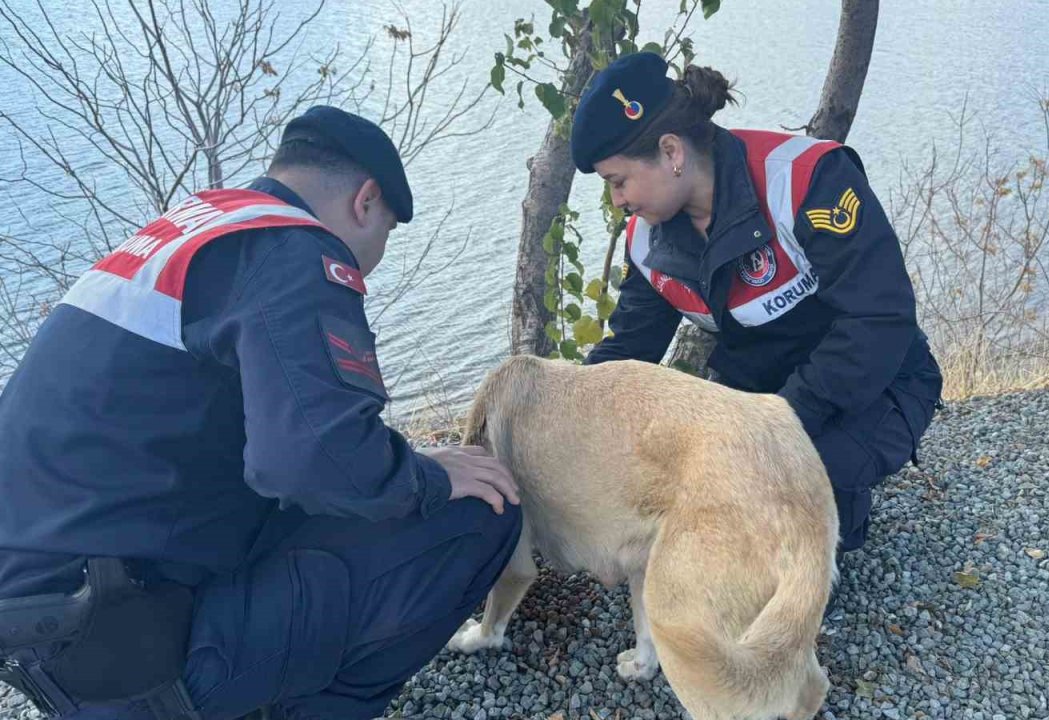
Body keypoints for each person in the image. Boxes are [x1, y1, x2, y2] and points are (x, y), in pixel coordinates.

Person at [0, 106, 521, 719]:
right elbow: (316, 464)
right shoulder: (293, 252)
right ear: (366, 200)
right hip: (132, 643)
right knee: (480, 514)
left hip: (50, 629)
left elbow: (276, 446)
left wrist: (396, 466)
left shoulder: (193, 231)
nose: (374, 257)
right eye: (385, 232)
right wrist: (430, 478)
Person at [572, 53, 944, 553]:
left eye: (618, 181)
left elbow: (879, 320)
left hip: (879, 384)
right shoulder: (647, 240)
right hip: (760, 402)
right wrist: (567, 415)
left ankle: (833, 509)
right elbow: (628, 350)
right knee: (689, 499)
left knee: (769, 510)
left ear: (671, 151)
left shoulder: (808, 179)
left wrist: (773, 432)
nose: (617, 200)